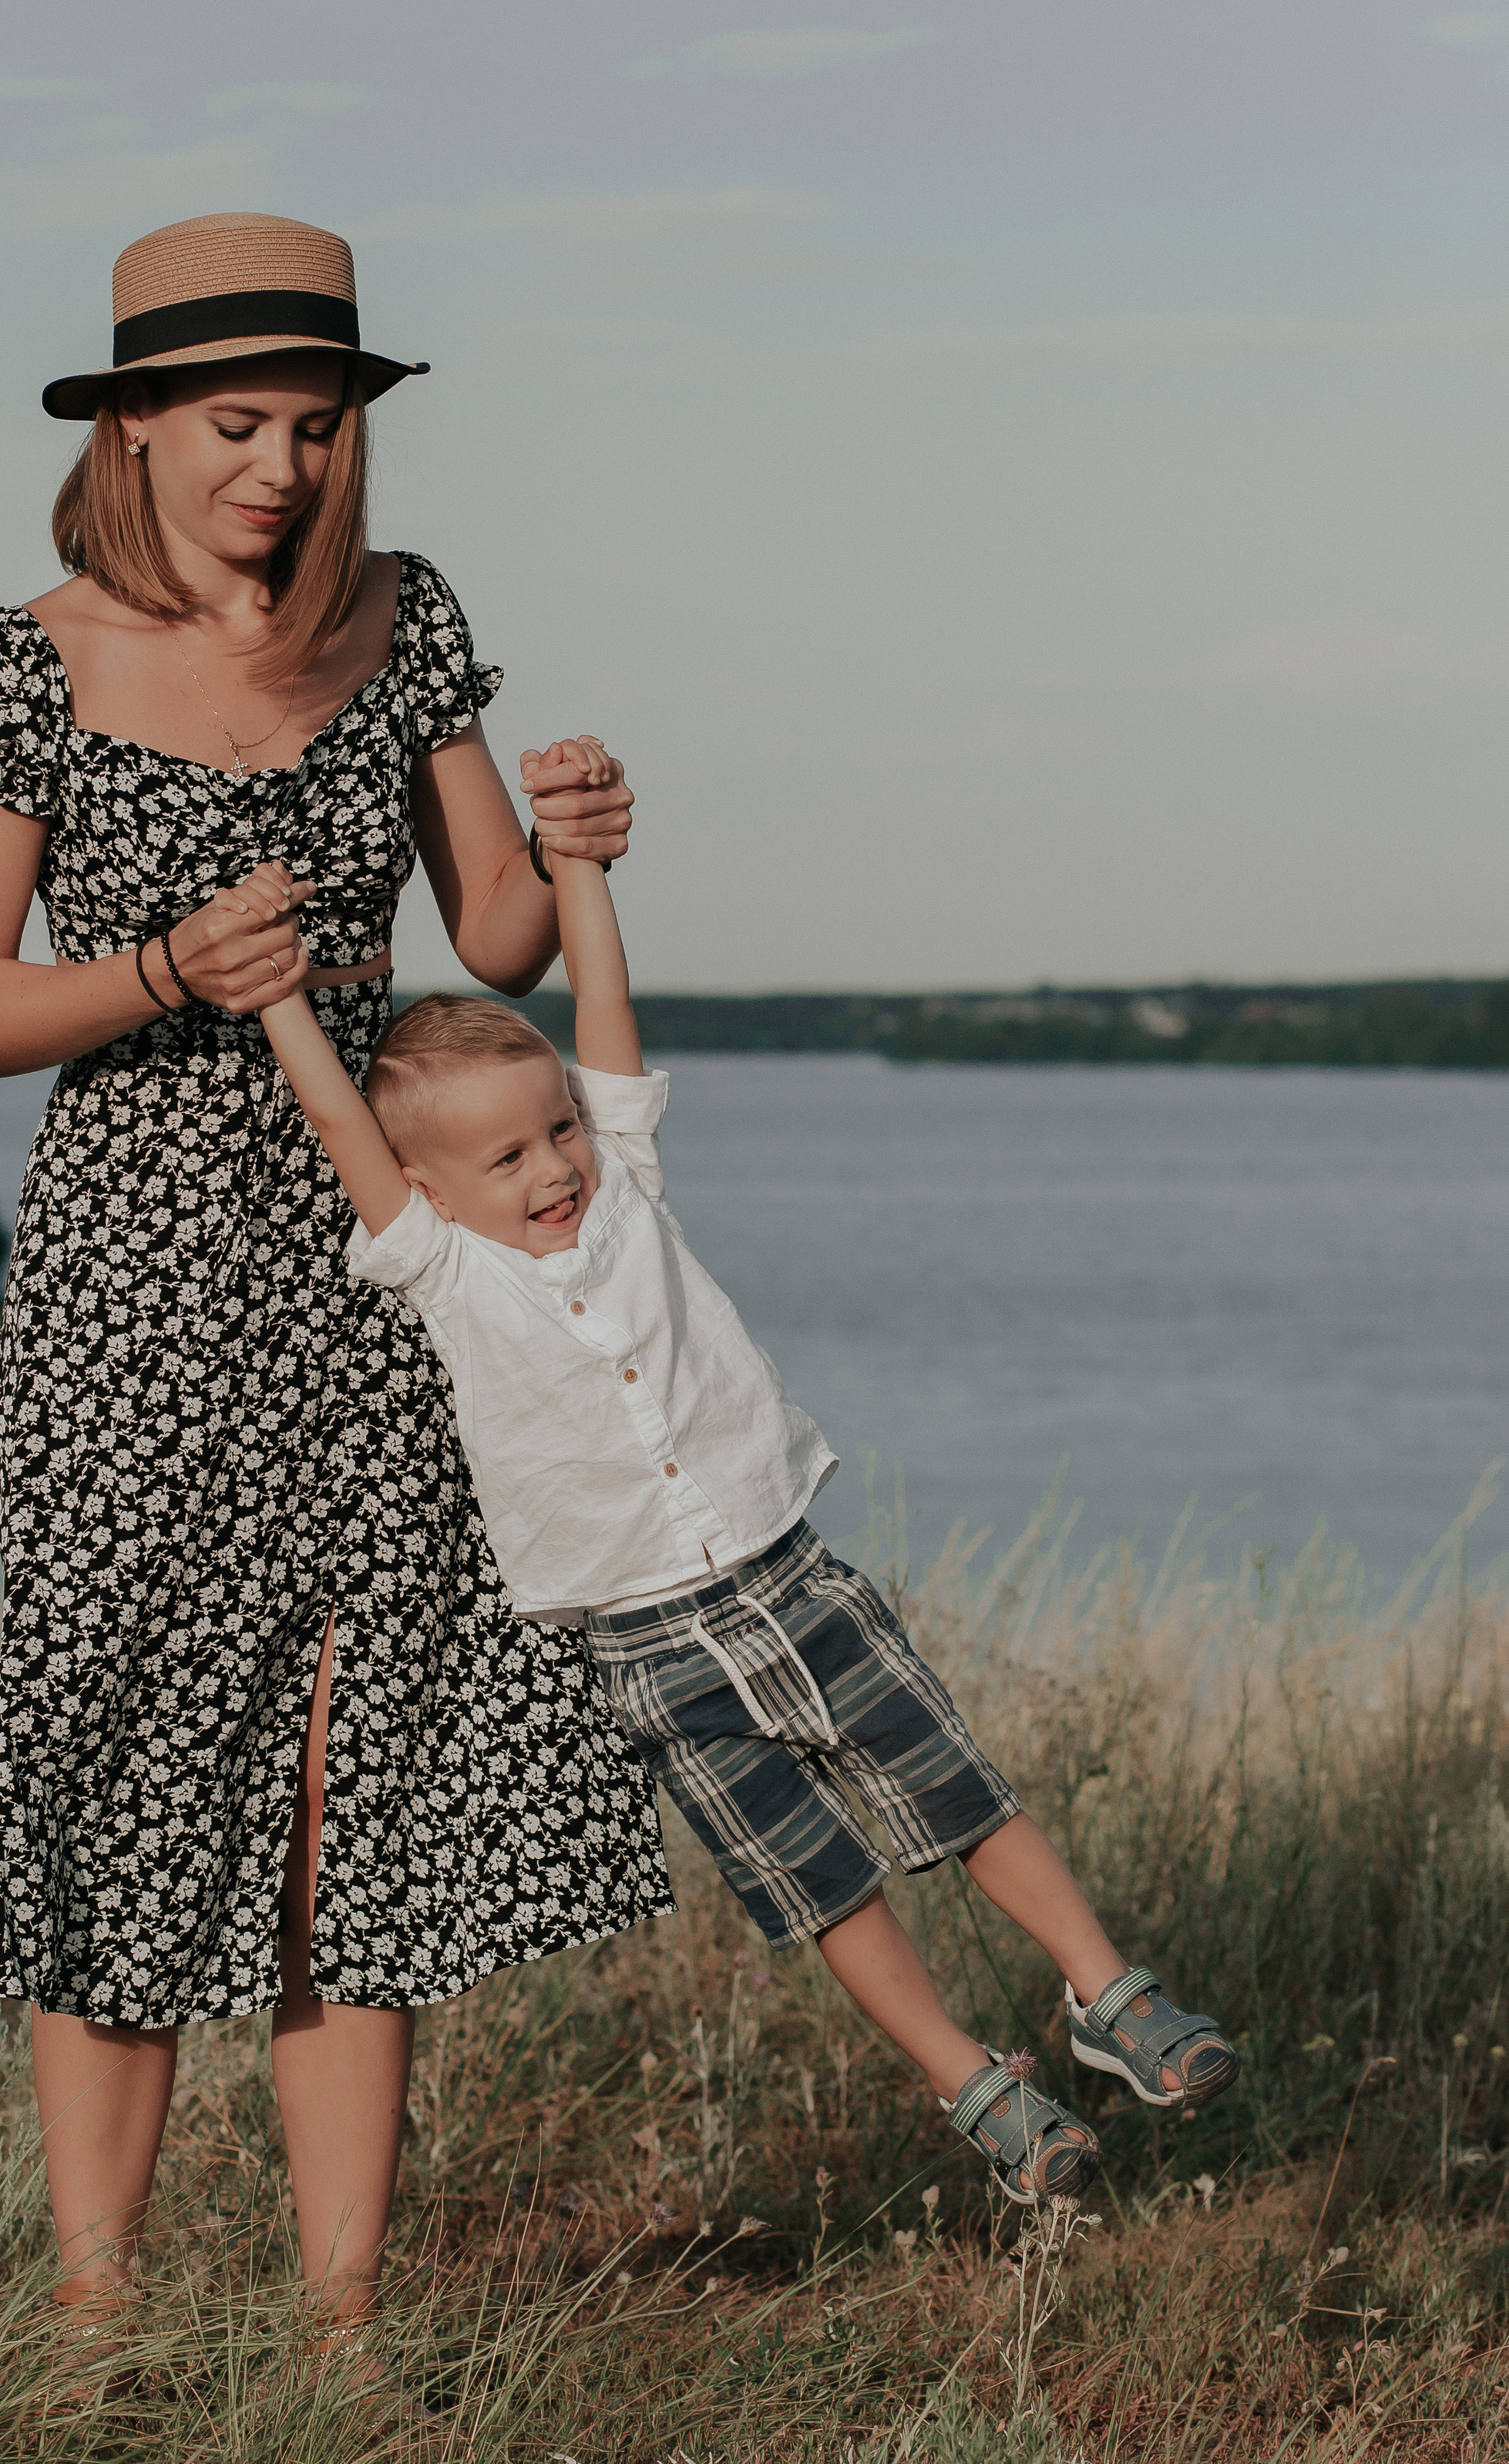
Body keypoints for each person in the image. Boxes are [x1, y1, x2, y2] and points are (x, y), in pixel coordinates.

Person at [0, 213, 673, 2355]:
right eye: (236, 425)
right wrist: (162, 969)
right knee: (120, 1754)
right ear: (135, 429)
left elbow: (497, 933)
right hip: (134, 1276)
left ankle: (344, 2328)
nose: (282, 467)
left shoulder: (405, 625)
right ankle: (96, 2312)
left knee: (364, 1781)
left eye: (317, 429)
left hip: (389, 1257)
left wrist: (585, 839)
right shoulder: (23, 660)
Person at [257, 779, 1241, 2203]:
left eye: (560, 1134)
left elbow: (602, 1003)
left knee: (961, 1796)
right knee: (820, 1884)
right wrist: (284, 996)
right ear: (429, 1188)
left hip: (787, 1574)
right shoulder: (440, 1271)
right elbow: (343, 1126)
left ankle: (1109, 1992)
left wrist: (580, 867)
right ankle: (973, 2088)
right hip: (651, 1652)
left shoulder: (630, 1189)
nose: (555, 1169)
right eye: (512, 1156)